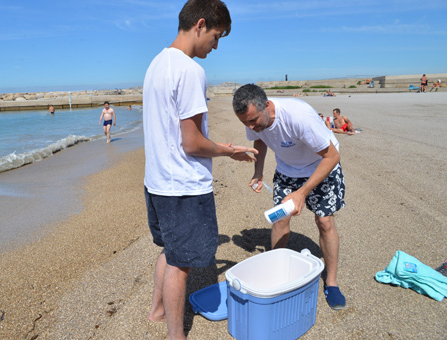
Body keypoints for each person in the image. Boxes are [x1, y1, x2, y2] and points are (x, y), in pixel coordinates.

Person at [142, 1, 257, 338]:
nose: (216, 45)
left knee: (171, 251)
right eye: (217, 36)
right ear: (201, 25)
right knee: (181, 264)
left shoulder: (155, 64)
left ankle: (157, 310)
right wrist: (230, 150)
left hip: (157, 182)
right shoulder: (190, 70)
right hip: (184, 187)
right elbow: (192, 143)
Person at [232, 84, 347, 310]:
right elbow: (260, 140)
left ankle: (332, 283)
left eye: (253, 120)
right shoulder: (252, 118)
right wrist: (258, 171)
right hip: (287, 171)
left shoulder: (298, 116)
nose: (250, 126)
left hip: (321, 166)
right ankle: (275, 269)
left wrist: (302, 193)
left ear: (266, 105)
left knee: (324, 222)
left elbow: (332, 156)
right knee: (280, 219)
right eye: (245, 123)